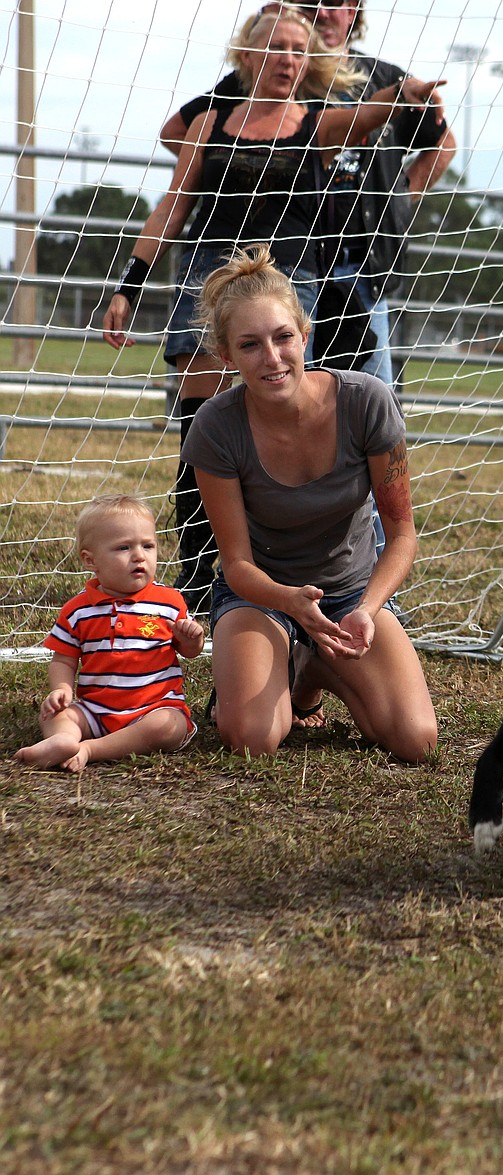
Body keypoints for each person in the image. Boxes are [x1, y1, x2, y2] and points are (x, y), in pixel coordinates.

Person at [105, 4, 447, 613]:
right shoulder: (209, 120)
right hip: (208, 278)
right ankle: (201, 574)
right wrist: (128, 285)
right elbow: (173, 204)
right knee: (203, 428)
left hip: (291, 279)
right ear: (247, 56)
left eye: (299, 50)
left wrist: (407, 93)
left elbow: (379, 113)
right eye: (278, 47)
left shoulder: (317, 123)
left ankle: (280, 572)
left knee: (274, 414)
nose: (289, 59)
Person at [180, 244, 438, 763]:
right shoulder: (214, 427)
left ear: (305, 333)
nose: (272, 358)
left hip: (348, 596)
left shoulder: (366, 401)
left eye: (283, 338)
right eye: (250, 346)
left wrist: (367, 608)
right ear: (227, 357)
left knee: (415, 739)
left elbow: (403, 533)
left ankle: (316, 664)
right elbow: (236, 564)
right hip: (262, 595)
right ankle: (289, 659)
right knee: (252, 737)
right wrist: (289, 600)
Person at [160, 1, 456, 387]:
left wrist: (400, 197)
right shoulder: (262, 76)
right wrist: (243, 178)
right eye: (307, 4)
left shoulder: (382, 79)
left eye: (333, 4)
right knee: (287, 391)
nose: (321, 13)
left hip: (358, 265)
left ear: (353, 11)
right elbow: (176, 133)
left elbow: (443, 142)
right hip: (284, 261)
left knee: (368, 395)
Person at [14, 495, 205, 774]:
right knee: (57, 713)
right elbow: (64, 660)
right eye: (124, 547)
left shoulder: (168, 601)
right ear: (91, 560)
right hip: (94, 711)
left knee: (170, 726)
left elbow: (188, 650)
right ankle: (64, 739)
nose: (139, 555)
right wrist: (61, 690)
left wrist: (193, 638)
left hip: (154, 709)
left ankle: (89, 749)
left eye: (148, 546)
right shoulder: (77, 609)